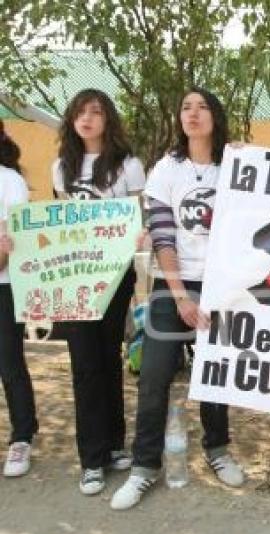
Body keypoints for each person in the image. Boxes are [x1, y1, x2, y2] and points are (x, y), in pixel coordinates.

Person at [111, 87, 244, 510]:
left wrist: (250, 157)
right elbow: (164, 235)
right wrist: (180, 295)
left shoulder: (235, 166)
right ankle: (144, 467)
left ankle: (218, 450)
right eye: (185, 106)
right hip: (174, 286)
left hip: (222, 286)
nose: (193, 113)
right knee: (153, 376)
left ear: (216, 117)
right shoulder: (167, 169)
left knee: (216, 376)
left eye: (203, 106)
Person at [52, 89, 145, 495]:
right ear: (71, 120)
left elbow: (137, 215)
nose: (87, 119)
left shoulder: (128, 166)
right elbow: (58, 222)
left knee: (109, 357)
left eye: (96, 112)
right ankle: (91, 459)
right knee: (84, 363)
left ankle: (113, 445)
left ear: (109, 120)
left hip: (115, 274)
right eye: (80, 113)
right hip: (74, 277)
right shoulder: (62, 167)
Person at [0, 119, 38, 478]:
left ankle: (22, 436)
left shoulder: (9, 181)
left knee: (8, 363)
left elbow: (10, 244)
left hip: (4, 285)